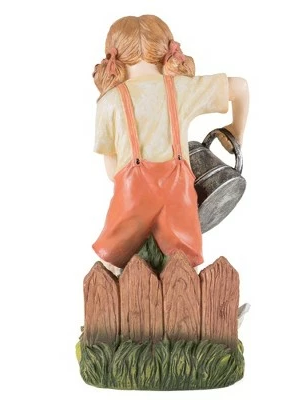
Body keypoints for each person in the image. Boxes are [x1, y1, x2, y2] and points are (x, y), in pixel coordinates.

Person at [91, 15, 249, 276]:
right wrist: (236, 132)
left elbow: (111, 171)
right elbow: (240, 87)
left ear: (113, 56)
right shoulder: (181, 89)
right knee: (184, 268)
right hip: (178, 195)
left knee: (111, 266)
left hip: (132, 197)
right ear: (166, 50)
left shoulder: (109, 101)